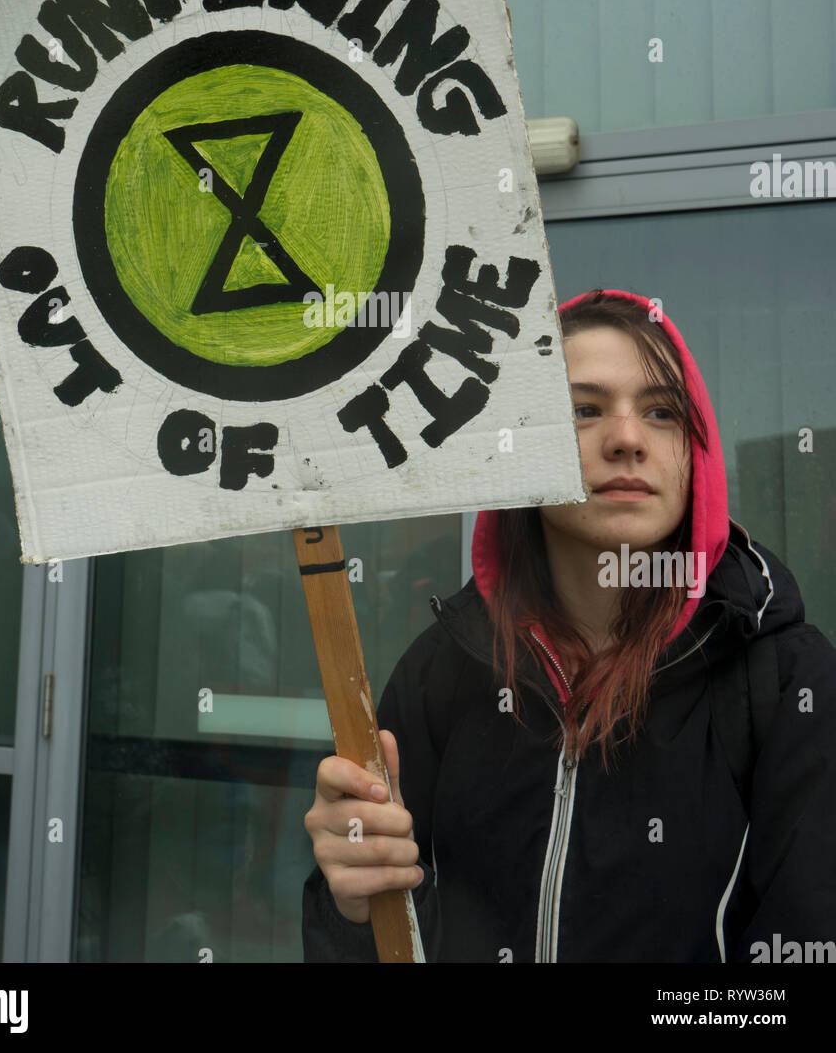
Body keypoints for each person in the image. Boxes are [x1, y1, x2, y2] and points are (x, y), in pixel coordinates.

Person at [301, 288, 836, 962]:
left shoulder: (785, 683)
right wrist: (350, 903)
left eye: (662, 412)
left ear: (694, 453)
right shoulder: (443, 670)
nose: (626, 440)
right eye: (583, 410)